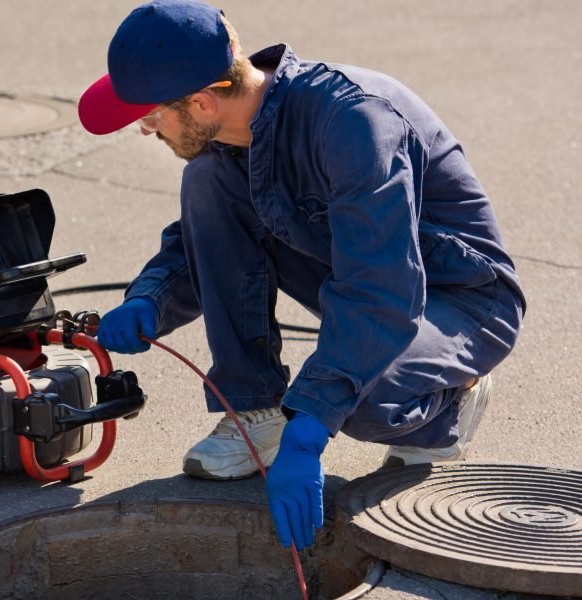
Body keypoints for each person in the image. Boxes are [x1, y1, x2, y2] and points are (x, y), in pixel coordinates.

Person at [78, 0, 525, 550]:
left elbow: (379, 290)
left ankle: (451, 401)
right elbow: (212, 236)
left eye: (150, 116)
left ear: (200, 101)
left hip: (462, 300)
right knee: (208, 183)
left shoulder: (355, 123)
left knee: (355, 399)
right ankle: (255, 411)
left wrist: (310, 428)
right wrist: (151, 298)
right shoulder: (235, 133)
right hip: (361, 271)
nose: (145, 130)